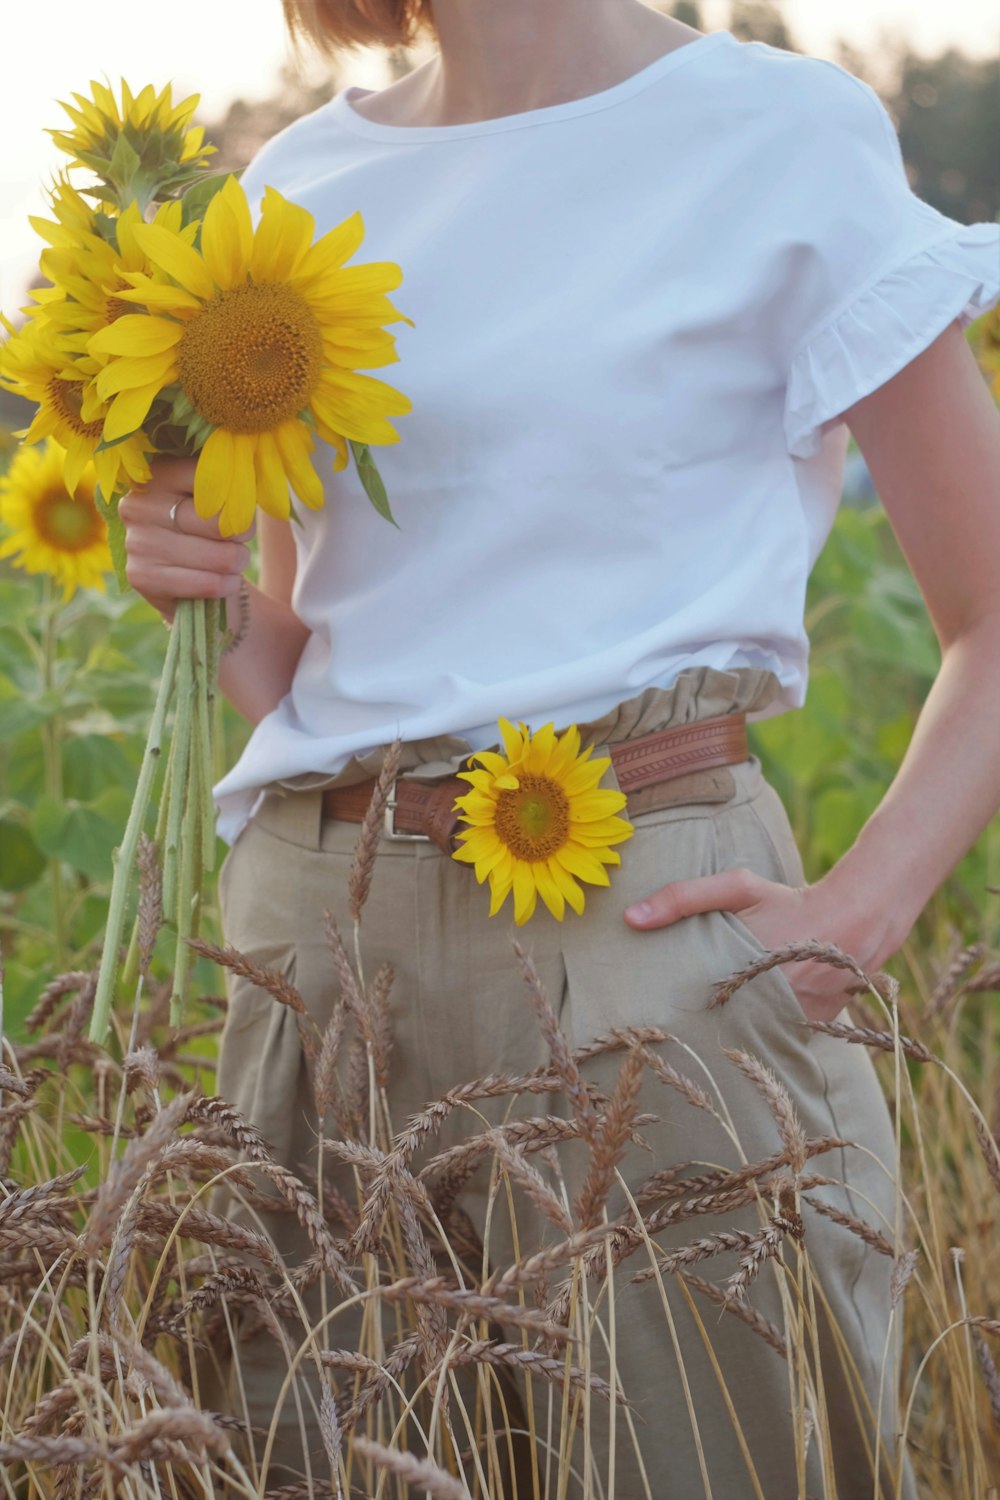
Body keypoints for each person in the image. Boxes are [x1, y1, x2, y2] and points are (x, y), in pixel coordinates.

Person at [119, 1, 1000, 1494]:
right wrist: (188, 581)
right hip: (315, 955)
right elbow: (297, 651)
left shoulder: (779, 135)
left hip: (642, 936)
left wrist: (864, 914)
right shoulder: (290, 192)